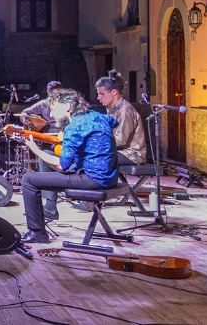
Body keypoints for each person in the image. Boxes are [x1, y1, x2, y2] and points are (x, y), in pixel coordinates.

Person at [19, 88, 119, 244]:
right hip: (110, 177)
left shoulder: (75, 126)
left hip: (93, 180)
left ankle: (37, 232)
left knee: (28, 179)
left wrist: (35, 149)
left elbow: (62, 164)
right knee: (49, 158)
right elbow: (114, 122)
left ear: (66, 106)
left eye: (53, 109)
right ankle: (50, 209)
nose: (51, 114)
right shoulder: (97, 116)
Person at [21, 80, 66, 222]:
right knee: (44, 159)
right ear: (48, 93)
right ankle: (50, 207)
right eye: (53, 93)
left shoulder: (70, 106)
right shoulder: (43, 104)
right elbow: (25, 113)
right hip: (49, 140)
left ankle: (86, 200)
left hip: (66, 141)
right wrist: (31, 122)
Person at [94, 71, 147, 166]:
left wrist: (96, 141)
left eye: (101, 94)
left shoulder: (125, 110)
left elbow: (121, 140)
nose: (98, 98)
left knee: (93, 157)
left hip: (132, 155)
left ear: (114, 92)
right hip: (120, 151)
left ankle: (98, 181)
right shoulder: (112, 108)